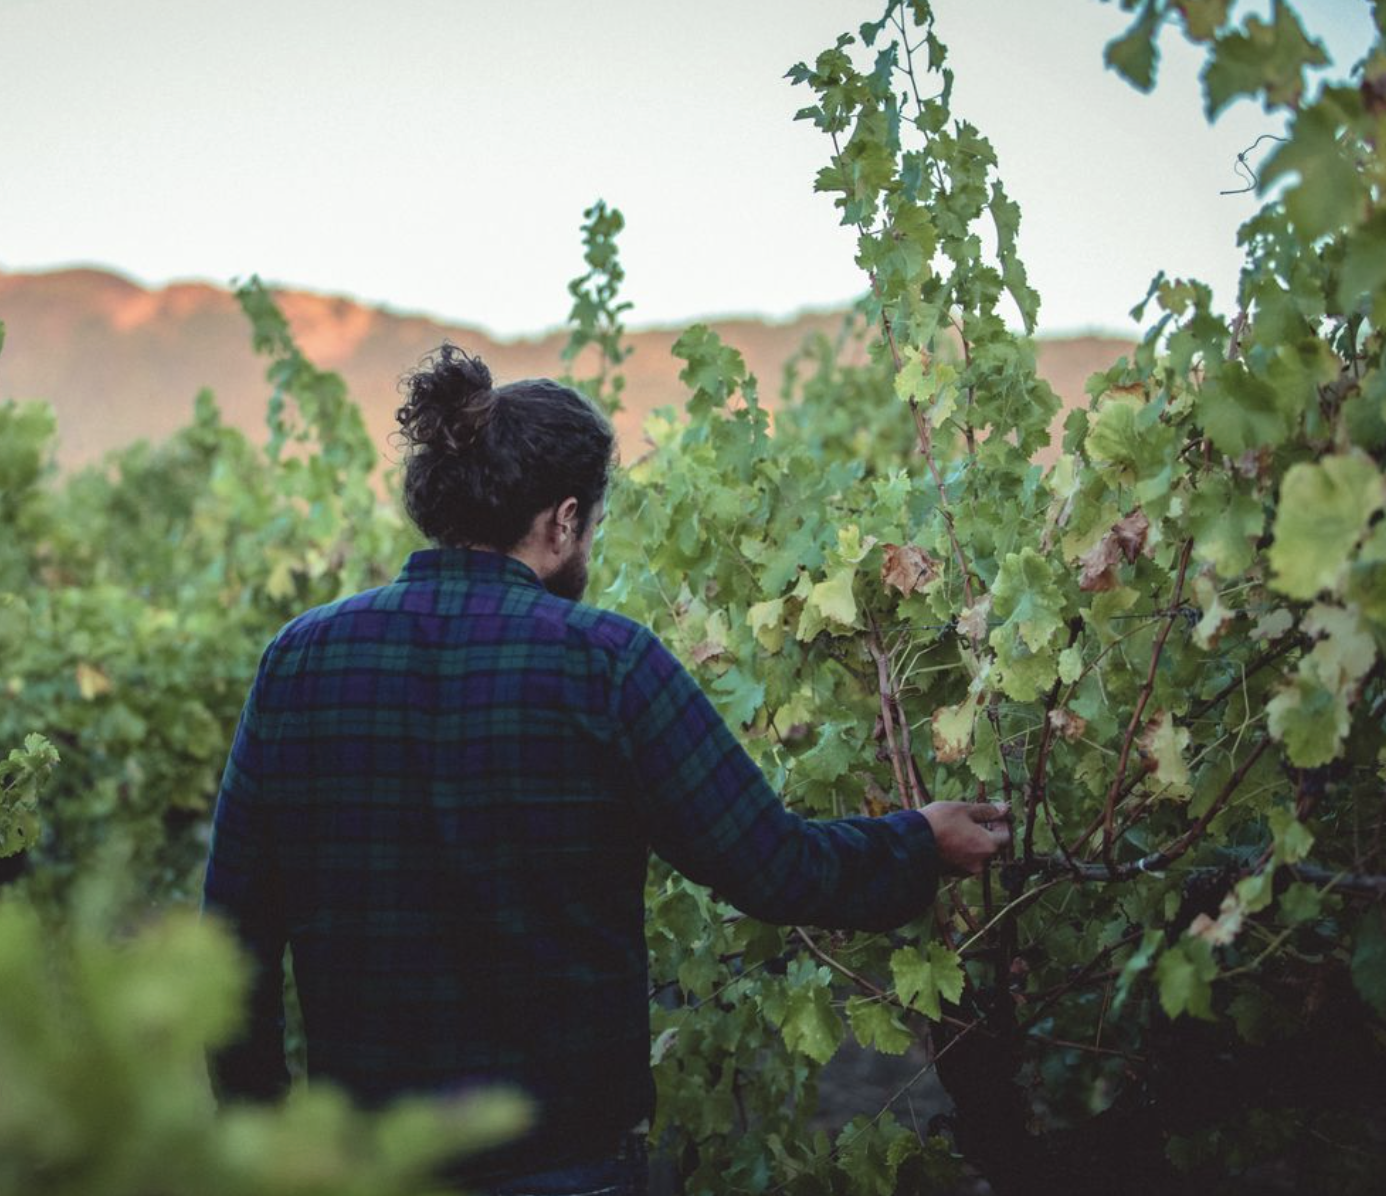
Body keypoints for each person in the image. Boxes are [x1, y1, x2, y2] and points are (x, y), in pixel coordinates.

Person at [201, 344, 1010, 1195]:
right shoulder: (608, 664)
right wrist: (919, 841)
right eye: (593, 522)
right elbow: (775, 867)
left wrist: (263, 1137)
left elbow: (233, 934)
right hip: (564, 1164)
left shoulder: (299, 660)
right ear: (562, 521)